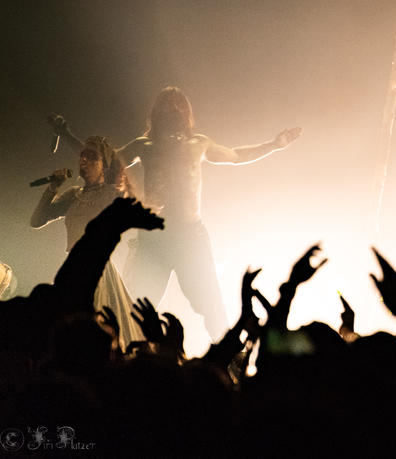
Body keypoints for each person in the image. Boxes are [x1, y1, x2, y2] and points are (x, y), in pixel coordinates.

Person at [49, 86, 301, 338]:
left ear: (187, 112)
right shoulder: (144, 145)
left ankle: (230, 355)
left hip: (190, 236)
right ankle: (124, 352)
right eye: (167, 104)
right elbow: (101, 159)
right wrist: (66, 133)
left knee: (211, 306)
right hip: (155, 238)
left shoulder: (198, 143)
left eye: (178, 103)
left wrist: (273, 145)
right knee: (135, 307)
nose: (173, 108)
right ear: (156, 113)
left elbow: (236, 155)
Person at [30, 135, 143, 347]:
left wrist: (125, 183)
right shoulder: (74, 195)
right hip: (72, 266)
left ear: (104, 165)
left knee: (91, 326)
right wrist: (53, 187)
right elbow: (36, 221)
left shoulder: (112, 194)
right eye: (82, 155)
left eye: (92, 156)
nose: (84, 160)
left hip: (97, 268)